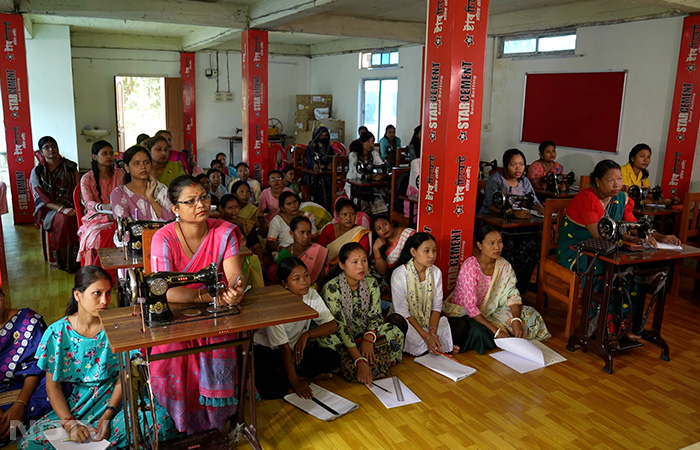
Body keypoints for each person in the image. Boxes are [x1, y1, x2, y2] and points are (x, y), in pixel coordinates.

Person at [18, 266, 179, 449]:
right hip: (79, 407)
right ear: (78, 295)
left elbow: (125, 375)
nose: (105, 300)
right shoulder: (57, 333)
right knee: (29, 444)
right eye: (97, 293)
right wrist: (70, 423)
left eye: (108, 293)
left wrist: (108, 414)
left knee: (159, 423)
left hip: (119, 402)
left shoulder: (119, 326)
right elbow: (52, 385)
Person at [149, 175, 246, 434]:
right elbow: (165, 292)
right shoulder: (164, 238)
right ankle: (181, 423)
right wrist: (204, 296)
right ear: (175, 208)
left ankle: (215, 424)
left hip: (216, 311)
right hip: (177, 315)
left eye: (203, 197)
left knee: (223, 337)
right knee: (172, 350)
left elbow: (234, 274)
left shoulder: (225, 232)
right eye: (190, 201)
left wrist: (236, 289)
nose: (200, 204)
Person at [556, 160, 681, 342]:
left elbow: (633, 224)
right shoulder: (587, 198)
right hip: (576, 249)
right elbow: (598, 233)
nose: (617, 184)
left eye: (619, 179)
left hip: (607, 248)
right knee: (601, 268)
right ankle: (595, 328)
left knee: (631, 268)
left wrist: (660, 237)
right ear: (597, 181)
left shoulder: (621, 198)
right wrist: (630, 239)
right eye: (610, 180)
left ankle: (624, 327)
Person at [444, 225, 550, 353]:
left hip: (494, 309)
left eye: (500, 242)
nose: (497, 247)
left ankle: (507, 334)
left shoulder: (504, 265)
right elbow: (470, 308)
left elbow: (512, 294)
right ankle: (502, 335)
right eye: (491, 243)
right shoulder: (470, 267)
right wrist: (497, 330)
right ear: (479, 245)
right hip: (467, 313)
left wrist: (516, 320)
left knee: (531, 315)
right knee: (480, 333)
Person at [317, 243, 404, 384]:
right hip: (341, 336)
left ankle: (364, 360)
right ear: (342, 265)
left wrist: (369, 338)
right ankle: (373, 360)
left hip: (364, 333)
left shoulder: (371, 283)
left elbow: (375, 315)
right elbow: (340, 327)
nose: (361, 266)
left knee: (394, 331)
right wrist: (359, 359)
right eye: (355, 262)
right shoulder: (332, 288)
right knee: (326, 343)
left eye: (364, 260)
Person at [254, 257, 340, 399]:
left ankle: (288, 375)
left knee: (333, 359)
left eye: (306, 275)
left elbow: (332, 325)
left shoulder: (311, 295)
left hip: (295, 351)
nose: (305, 282)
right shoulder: (276, 305)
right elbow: (283, 348)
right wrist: (295, 384)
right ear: (285, 284)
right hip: (269, 349)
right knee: (264, 385)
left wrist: (306, 335)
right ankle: (297, 378)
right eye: (296, 279)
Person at [480, 148, 544, 292]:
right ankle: (503, 284)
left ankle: (520, 284)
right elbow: (491, 206)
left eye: (521, 164)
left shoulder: (524, 181)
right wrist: (513, 213)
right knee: (509, 245)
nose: (518, 168)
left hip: (515, 225)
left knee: (534, 243)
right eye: (513, 164)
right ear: (505, 165)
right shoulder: (495, 180)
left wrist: (541, 209)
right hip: (492, 223)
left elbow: (533, 200)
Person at [0, 286, 55, 447]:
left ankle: (17, 426)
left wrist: (20, 404)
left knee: (56, 384)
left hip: (30, 387)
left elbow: (37, 366)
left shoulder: (27, 321)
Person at [389, 233, 456, 356]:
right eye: (426, 251)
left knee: (461, 325)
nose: (432, 255)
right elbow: (403, 313)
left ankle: (433, 344)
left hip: (428, 322)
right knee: (397, 323)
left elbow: (436, 307)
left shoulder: (436, 272)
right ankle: (438, 345)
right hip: (408, 322)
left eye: (434, 251)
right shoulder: (399, 274)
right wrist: (426, 337)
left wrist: (432, 332)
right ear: (413, 252)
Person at [30, 136, 80, 273]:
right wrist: (62, 209)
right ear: (41, 151)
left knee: (84, 217)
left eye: (53, 146)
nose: (51, 149)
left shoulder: (70, 167)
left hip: (72, 205)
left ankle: (79, 258)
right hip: (49, 209)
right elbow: (40, 197)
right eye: (46, 147)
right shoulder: (38, 172)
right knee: (63, 219)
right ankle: (62, 260)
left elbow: (78, 189)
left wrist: (78, 207)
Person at [77, 140, 124, 266]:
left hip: (119, 215)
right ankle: (101, 270)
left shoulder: (120, 174)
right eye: (104, 154)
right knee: (97, 238)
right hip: (96, 216)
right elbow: (88, 203)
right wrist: (103, 207)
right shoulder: (87, 178)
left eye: (111, 153)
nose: (109, 157)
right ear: (94, 157)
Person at [110, 145, 175, 222]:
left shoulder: (162, 189)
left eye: (146, 162)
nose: (143, 167)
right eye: (136, 163)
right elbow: (125, 228)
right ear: (127, 168)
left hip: (162, 234)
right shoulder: (119, 194)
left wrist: (152, 200)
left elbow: (171, 222)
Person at [219, 194, 264, 287]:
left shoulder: (247, 224)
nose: (234, 210)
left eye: (236, 207)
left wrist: (260, 263)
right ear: (222, 209)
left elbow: (256, 245)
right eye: (230, 208)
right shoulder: (219, 226)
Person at [277, 216, 329, 287]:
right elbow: (281, 280)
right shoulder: (284, 254)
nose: (306, 236)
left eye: (309, 232)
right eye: (302, 232)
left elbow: (322, 276)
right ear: (292, 233)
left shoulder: (318, 250)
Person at [318, 198, 370, 266]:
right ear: (338, 215)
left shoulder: (360, 233)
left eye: (352, 214)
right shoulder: (329, 229)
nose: (348, 218)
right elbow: (319, 252)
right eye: (344, 214)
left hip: (354, 268)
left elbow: (362, 257)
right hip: (329, 269)